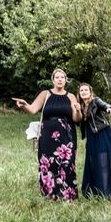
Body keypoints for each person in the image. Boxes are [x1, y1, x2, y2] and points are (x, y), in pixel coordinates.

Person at [13, 68, 81, 201]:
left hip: (66, 135)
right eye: (57, 77)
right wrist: (24, 105)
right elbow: (33, 109)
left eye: (62, 77)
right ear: (53, 80)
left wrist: (78, 111)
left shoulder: (71, 96)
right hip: (47, 135)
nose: (60, 79)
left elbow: (76, 119)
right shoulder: (46, 94)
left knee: (67, 163)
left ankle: (67, 194)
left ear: (66, 80)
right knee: (48, 162)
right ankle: (50, 194)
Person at [77, 83, 111, 199]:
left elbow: (105, 105)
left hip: (102, 133)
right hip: (91, 136)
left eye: (86, 90)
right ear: (79, 93)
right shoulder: (80, 106)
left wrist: (109, 109)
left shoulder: (96, 101)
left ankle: (106, 192)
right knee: (92, 161)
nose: (84, 92)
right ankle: (94, 191)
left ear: (90, 92)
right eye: (82, 90)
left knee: (103, 161)